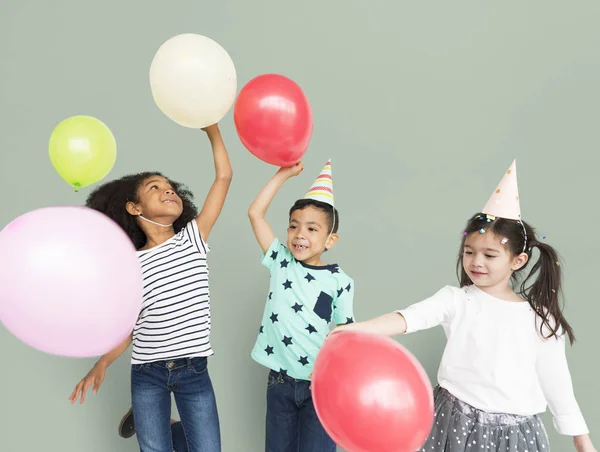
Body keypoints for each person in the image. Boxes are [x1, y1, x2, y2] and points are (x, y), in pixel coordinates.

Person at [335, 160, 596, 452]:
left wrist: (580, 436)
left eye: (490, 254)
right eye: (469, 251)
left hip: (516, 435)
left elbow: (556, 379)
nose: (476, 262)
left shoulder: (540, 319)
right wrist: (357, 330)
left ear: (517, 261)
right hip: (453, 421)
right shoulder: (457, 299)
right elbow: (409, 318)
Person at [68, 124, 232, 452]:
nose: (168, 190)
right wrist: (101, 363)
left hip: (193, 369)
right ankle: (164, 427)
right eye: (155, 188)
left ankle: (173, 427)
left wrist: (212, 131)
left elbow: (224, 177)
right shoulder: (129, 264)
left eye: (171, 187)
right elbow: (130, 326)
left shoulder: (193, 239)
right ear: (134, 208)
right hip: (148, 372)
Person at [248, 160, 355, 452]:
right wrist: (283, 175)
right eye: (294, 226)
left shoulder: (340, 281)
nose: (300, 235)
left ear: (330, 239)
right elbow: (255, 213)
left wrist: (335, 372)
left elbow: (346, 333)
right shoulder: (281, 261)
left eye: (311, 228)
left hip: (321, 385)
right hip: (280, 381)